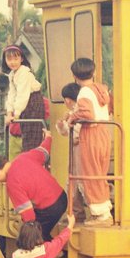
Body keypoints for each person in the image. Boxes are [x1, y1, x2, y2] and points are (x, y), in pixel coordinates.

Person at [0, 131, 68, 242]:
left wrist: (28, 234)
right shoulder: (23, 157)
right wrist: (48, 137)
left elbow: (28, 213)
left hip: (50, 208)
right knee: (42, 231)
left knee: (34, 238)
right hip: (62, 197)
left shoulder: (12, 183)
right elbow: (44, 152)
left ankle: (53, 251)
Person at [67, 57, 113, 226]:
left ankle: (101, 216)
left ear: (74, 76)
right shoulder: (101, 89)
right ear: (93, 72)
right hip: (104, 131)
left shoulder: (84, 92)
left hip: (91, 133)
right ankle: (104, 210)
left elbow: (87, 114)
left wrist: (72, 117)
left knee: (90, 174)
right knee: (99, 173)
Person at [1, 44, 46, 153]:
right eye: (9, 59)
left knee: (32, 138)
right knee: (26, 135)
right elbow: (12, 94)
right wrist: (9, 112)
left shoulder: (24, 72)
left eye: (16, 59)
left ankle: (32, 161)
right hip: (25, 104)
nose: (13, 62)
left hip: (33, 103)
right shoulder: (12, 74)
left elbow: (22, 94)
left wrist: (16, 115)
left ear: (21, 59)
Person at [55, 82, 87, 221]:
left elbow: (73, 132)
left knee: (76, 181)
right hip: (78, 148)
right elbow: (67, 131)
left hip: (80, 149)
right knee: (74, 180)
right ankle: (76, 212)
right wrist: (62, 124)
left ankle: (77, 212)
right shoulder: (76, 111)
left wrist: (64, 125)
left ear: (67, 99)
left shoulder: (77, 111)